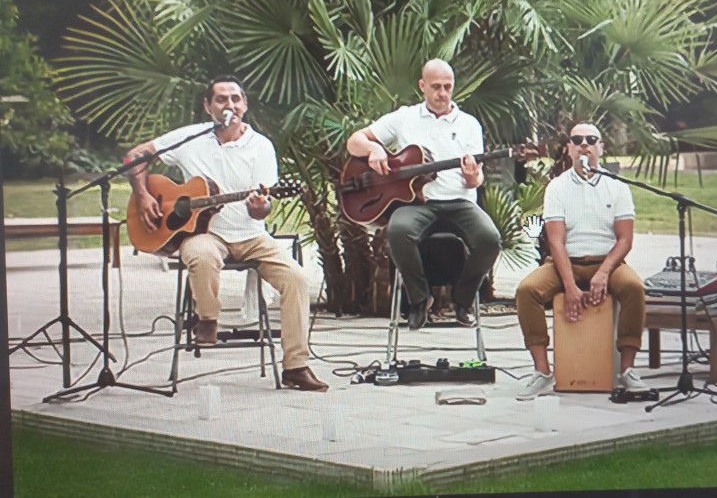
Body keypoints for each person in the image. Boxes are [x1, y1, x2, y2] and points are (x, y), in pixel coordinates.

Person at [125, 75, 328, 392]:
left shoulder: (261, 146)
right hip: (208, 234)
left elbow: (262, 210)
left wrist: (258, 206)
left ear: (244, 105)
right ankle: (207, 320)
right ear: (208, 106)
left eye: (235, 98)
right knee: (200, 255)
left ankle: (296, 366)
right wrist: (143, 195)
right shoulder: (191, 137)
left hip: (252, 235)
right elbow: (136, 155)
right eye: (221, 99)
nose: (229, 104)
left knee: (297, 278)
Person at [346, 59, 501, 330]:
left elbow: (477, 178)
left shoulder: (469, 124)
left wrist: (473, 176)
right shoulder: (404, 117)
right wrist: (374, 149)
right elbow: (354, 140)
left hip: (459, 202)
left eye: (448, 87)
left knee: (489, 239)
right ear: (422, 86)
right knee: (397, 230)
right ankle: (419, 300)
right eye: (436, 87)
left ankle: (462, 301)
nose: (442, 93)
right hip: (417, 202)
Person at [515, 122, 648, 400]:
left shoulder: (618, 187)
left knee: (634, 287)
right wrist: (570, 286)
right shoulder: (557, 187)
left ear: (601, 147)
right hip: (565, 261)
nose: (584, 144)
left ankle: (627, 370)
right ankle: (542, 371)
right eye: (577, 140)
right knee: (527, 291)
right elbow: (556, 241)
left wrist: (603, 273)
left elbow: (624, 240)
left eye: (591, 139)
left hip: (607, 262)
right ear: (569, 149)